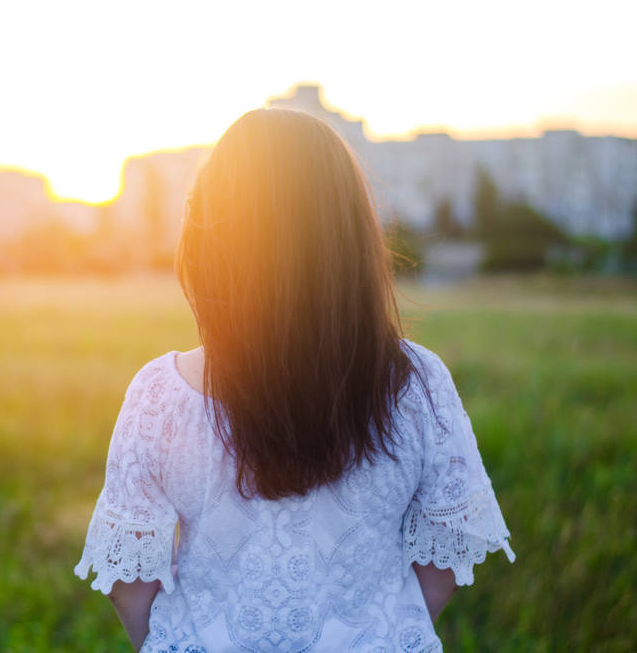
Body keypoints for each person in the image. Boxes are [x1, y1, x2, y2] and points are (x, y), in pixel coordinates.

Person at [73, 108, 515, 652]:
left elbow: (128, 587)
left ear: (214, 236)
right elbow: (446, 557)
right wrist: (376, 631)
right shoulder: (419, 382)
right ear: (350, 234)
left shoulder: (160, 395)